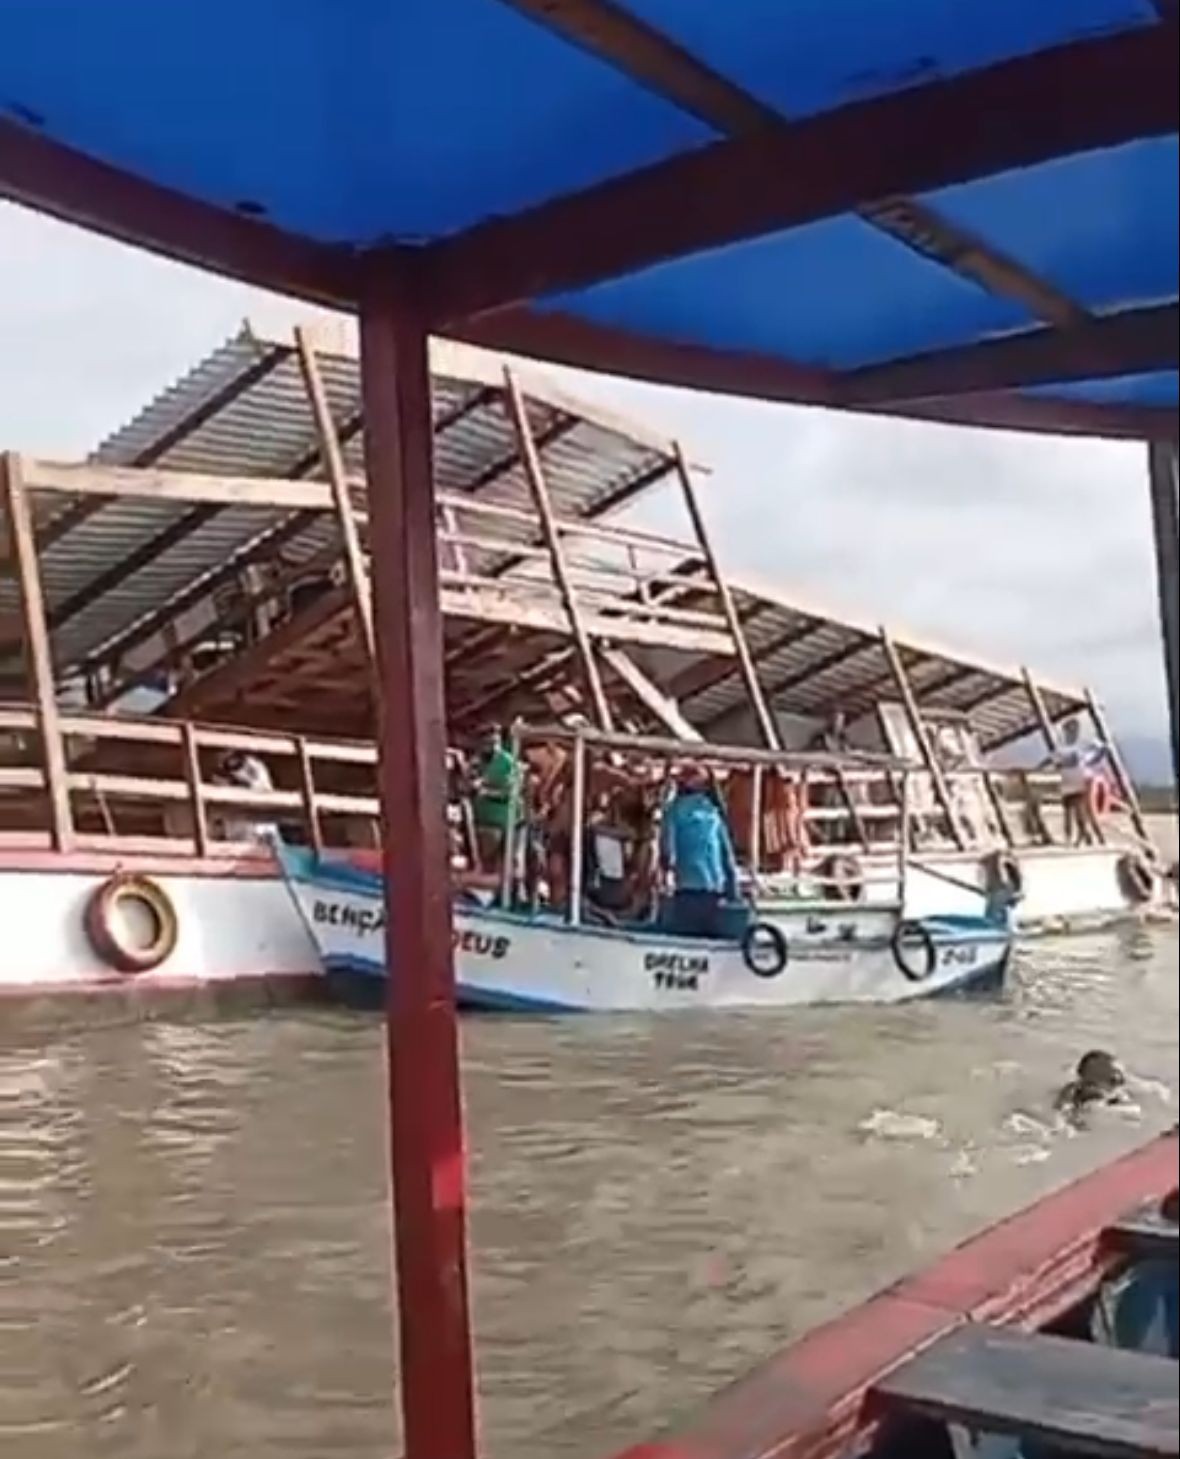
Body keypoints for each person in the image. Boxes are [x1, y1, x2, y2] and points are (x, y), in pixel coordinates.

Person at [660, 765, 738, 938]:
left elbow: (667, 852)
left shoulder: (674, 811)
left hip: (688, 888)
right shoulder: (713, 813)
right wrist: (734, 893)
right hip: (715, 888)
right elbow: (728, 858)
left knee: (686, 938)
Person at [1047, 719, 1106, 846]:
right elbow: (1053, 760)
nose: (1071, 732)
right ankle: (1070, 838)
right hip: (1067, 785)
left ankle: (1086, 838)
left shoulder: (1084, 744)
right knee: (1068, 813)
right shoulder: (1061, 748)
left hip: (1080, 783)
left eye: (1073, 730)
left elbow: (1102, 748)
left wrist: (1091, 762)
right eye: (1068, 730)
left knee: (1081, 813)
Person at [471, 726, 521, 873]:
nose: (489, 747)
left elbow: (511, 792)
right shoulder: (477, 761)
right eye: (485, 743)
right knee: (485, 864)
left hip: (501, 823)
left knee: (503, 866)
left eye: (493, 743)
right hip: (481, 822)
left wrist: (485, 792)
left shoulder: (507, 763)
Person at [216, 750, 278, 845]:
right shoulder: (220, 771)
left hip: (258, 824)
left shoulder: (253, 766)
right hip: (236, 828)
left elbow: (255, 786)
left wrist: (237, 782)